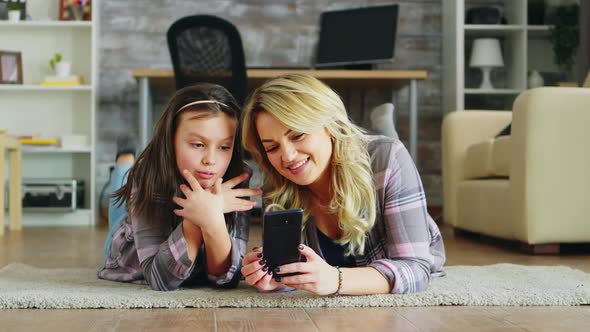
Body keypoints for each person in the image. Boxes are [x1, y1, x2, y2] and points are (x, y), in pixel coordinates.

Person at [240, 74, 445, 295]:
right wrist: (277, 277)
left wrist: (336, 279)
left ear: (330, 124)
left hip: (378, 174)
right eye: (272, 148)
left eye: (298, 135)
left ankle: (385, 130)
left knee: (385, 153)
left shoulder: (389, 158)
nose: (287, 156)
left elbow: (416, 269)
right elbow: (297, 272)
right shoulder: (278, 183)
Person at [98, 83, 262, 291]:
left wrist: (211, 217)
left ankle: (124, 166)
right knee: (119, 207)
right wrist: (199, 215)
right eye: (198, 145)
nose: (210, 160)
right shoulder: (149, 173)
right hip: (130, 247)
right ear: (171, 140)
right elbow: (160, 280)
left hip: (169, 240)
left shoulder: (236, 174)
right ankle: (124, 163)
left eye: (224, 147)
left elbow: (227, 278)